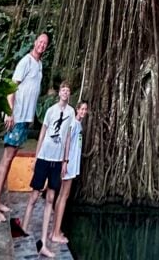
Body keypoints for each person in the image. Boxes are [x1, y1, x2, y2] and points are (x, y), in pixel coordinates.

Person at [0, 32, 49, 222]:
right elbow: (10, 89)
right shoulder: (26, 62)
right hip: (16, 117)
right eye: (40, 42)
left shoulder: (39, 65)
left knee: (11, 158)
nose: (42, 45)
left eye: (45, 43)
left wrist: (28, 118)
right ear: (34, 42)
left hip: (23, 119)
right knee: (6, 159)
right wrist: (9, 113)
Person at [21, 81, 75, 258]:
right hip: (44, 157)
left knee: (50, 198)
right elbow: (43, 132)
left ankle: (43, 243)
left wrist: (65, 160)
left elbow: (67, 137)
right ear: (59, 93)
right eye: (63, 90)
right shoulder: (51, 110)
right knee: (34, 196)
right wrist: (36, 156)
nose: (65, 93)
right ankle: (23, 228)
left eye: (68, 91)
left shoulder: (71, 112)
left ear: (69, 94)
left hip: (57, 161)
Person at [50, 100, 89, 247]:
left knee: (62, 196)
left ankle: (55, 230)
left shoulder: (78, 124)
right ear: (77, 109)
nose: (83, 112)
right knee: (63, 196)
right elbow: (66, 141)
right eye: (81, 109)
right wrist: (65, 161)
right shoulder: (73, 123)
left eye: (85, 110)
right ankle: (55, 233)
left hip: (72, 164)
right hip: (68, 164)